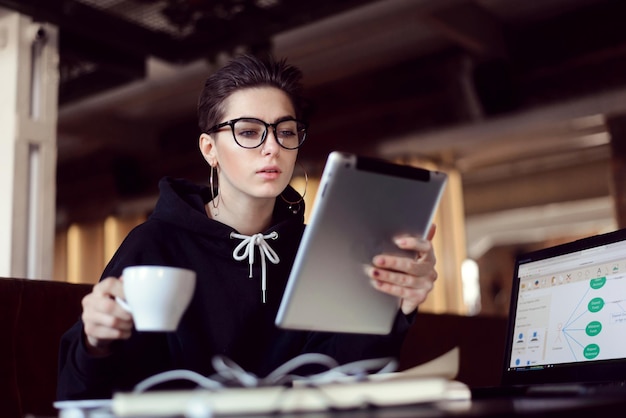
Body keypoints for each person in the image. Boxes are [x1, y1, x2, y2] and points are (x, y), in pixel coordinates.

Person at [57, 54, 439, 400]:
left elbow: (344, 376)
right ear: (210, 149)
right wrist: (94, 341)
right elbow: (82, 394)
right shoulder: (155, 243)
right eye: (249, 131)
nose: (272, 147)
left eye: (285, 131)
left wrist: (396, 306)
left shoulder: (318, 249)